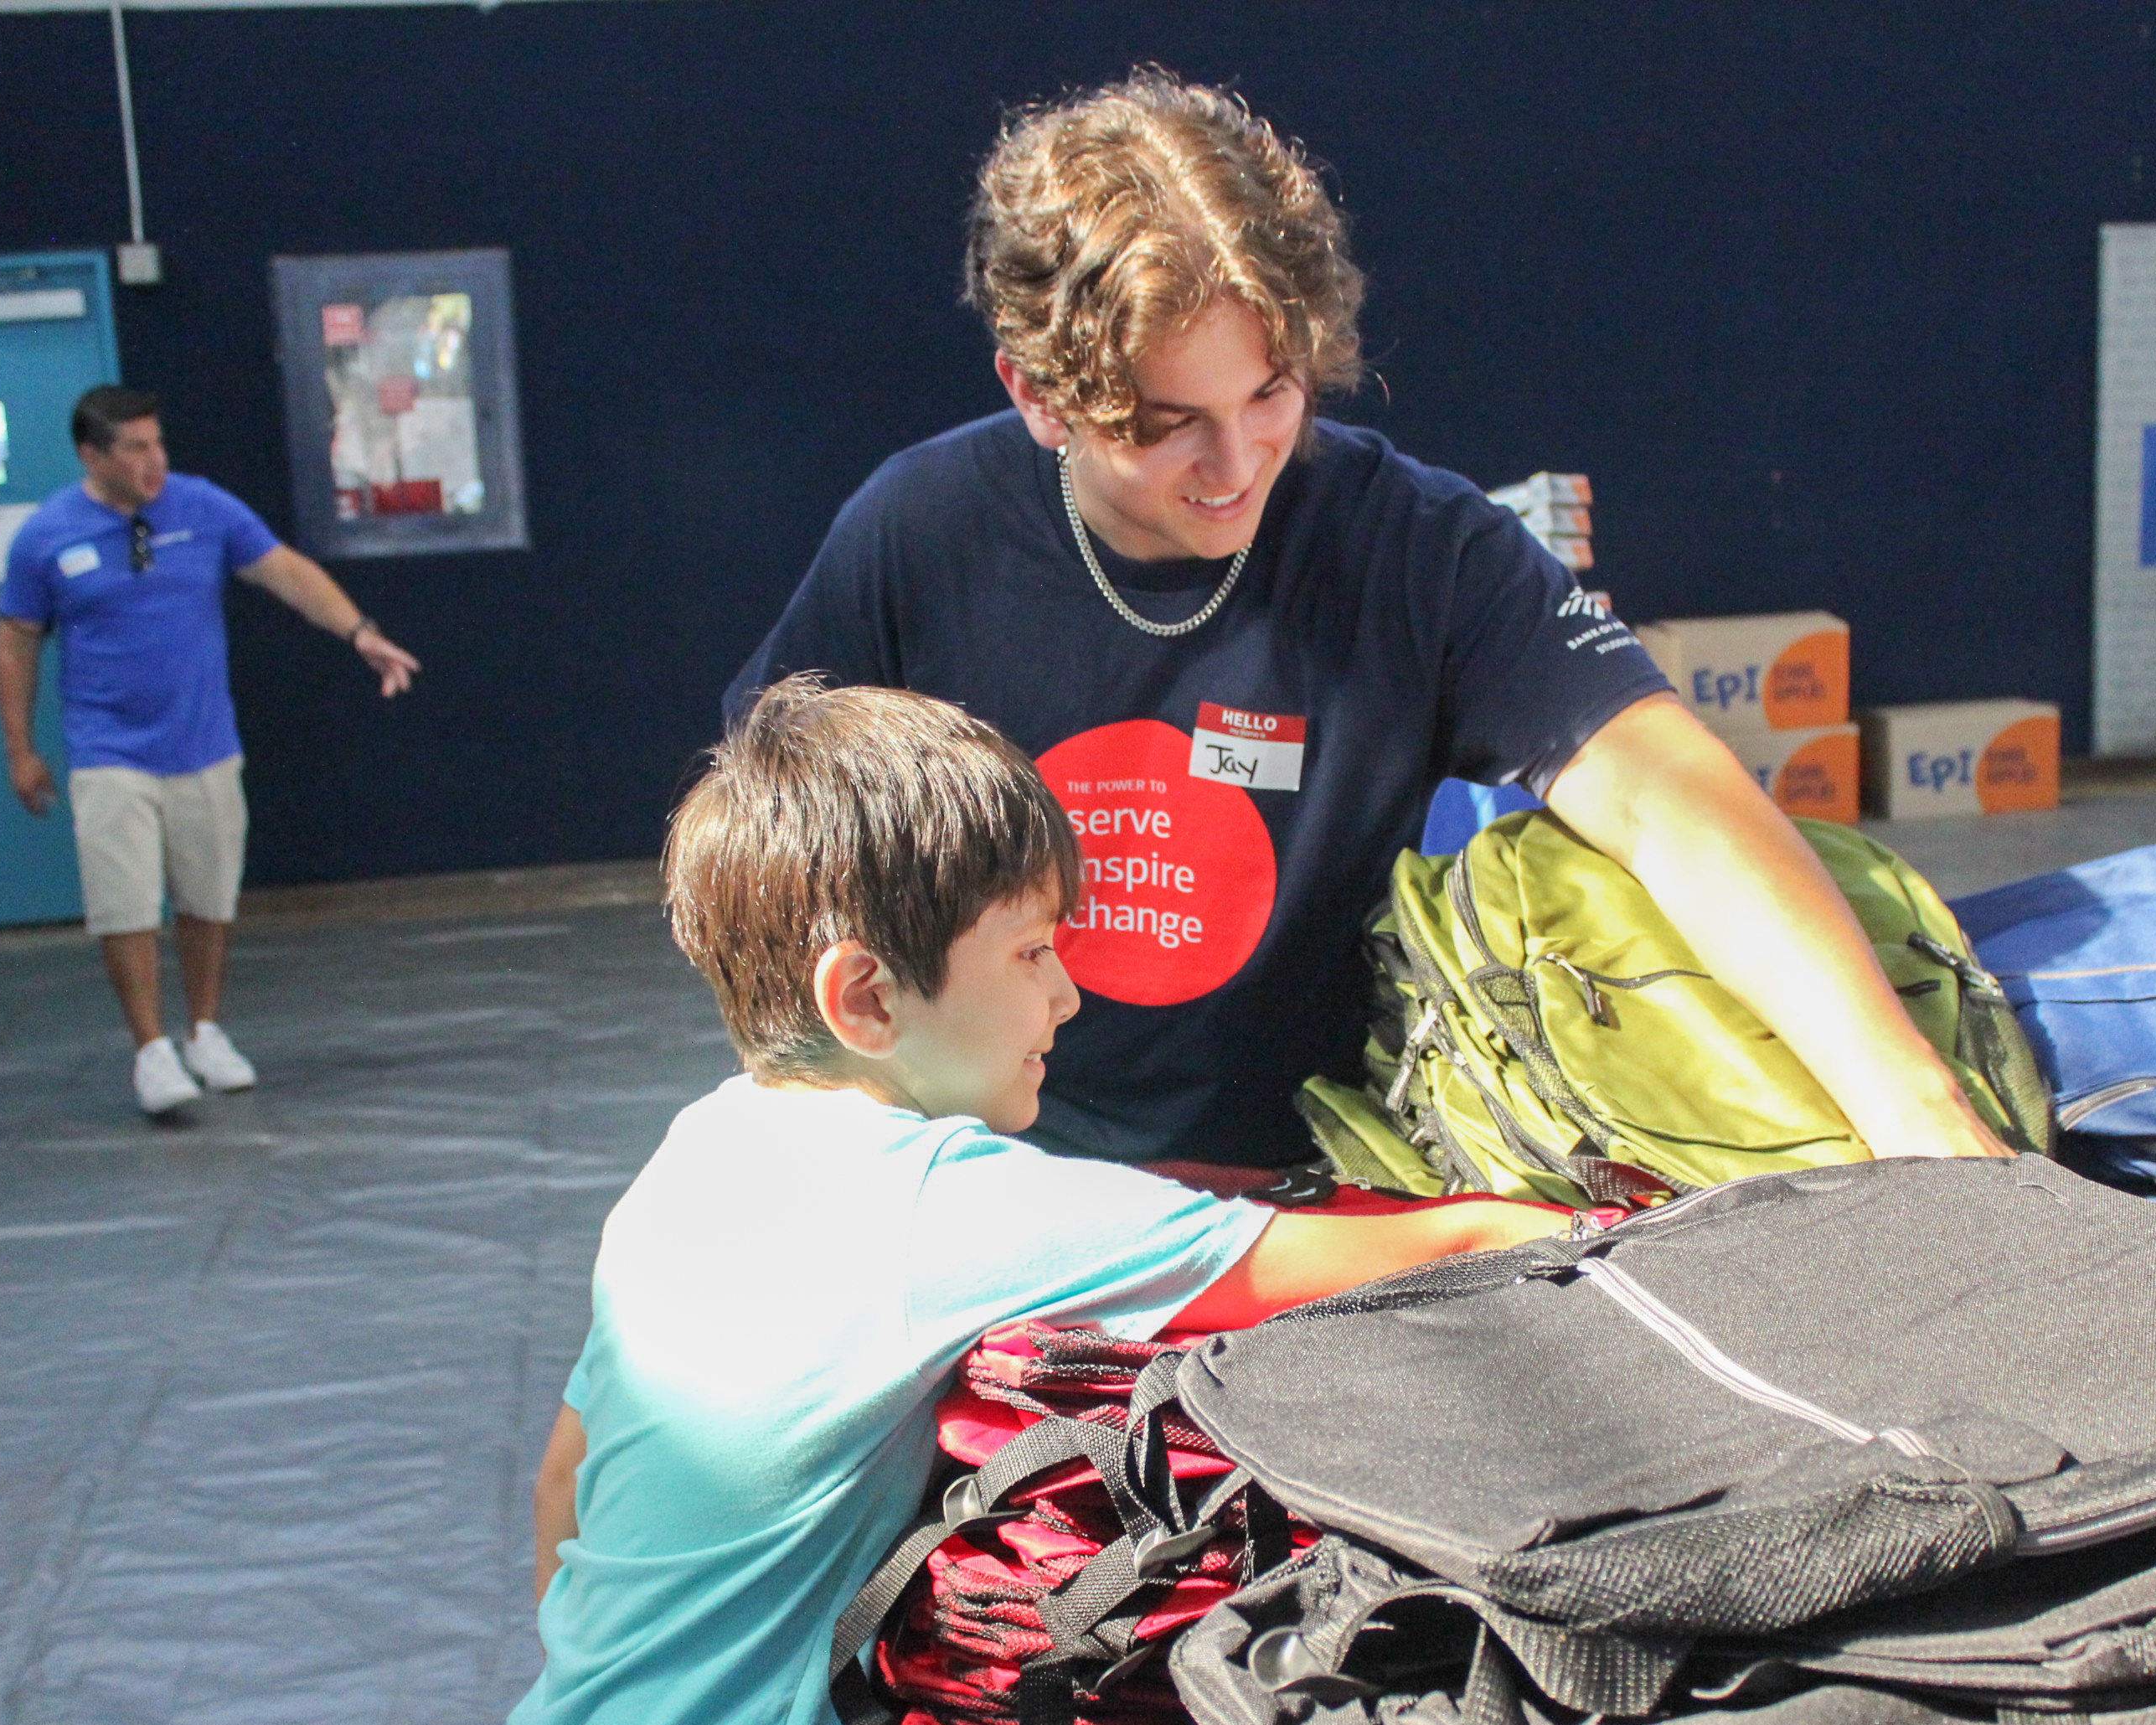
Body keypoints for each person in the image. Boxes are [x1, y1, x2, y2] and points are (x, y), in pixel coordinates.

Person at [731, 70, 2007, 1170]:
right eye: (1166, 423)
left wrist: (1912, 1101)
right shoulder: (920, 532)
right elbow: (765, 849)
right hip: (988, 1172)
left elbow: (1668, 797)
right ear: (1038, 393)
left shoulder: (1413, 545)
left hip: (1306, 1183)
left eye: (1271, 390)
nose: (1237, 463)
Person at [478, 677, 1565, 1725]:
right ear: (869, 999)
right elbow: (1400, 1257)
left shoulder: (699, 1150)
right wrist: (1623, 1228)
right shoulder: (947, 1208)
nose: (1068, 996)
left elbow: (565, 1481)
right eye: (1033, 952)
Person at [0, 385, 423, 1117]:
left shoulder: (203, 508)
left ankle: (203, 1030)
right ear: (91, 455)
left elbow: (286, 572)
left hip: (204, 745)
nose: (153, 461)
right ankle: (151, 1050)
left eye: (158, 443)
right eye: (134, 448)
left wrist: (359, 632)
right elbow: (15, 643)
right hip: (108, 750)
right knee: (125, 904)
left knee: (207, 897)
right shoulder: (46, 535)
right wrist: (19, 748)